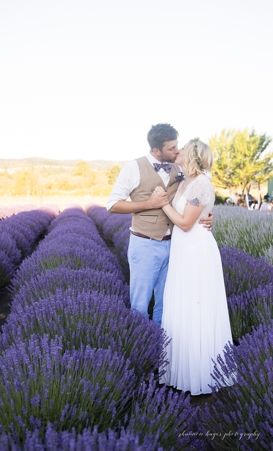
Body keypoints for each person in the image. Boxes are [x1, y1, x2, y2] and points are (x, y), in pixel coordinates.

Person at [105, 124, 213, 325]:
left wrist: (206, 216)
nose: (177, 151)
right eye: (172, 148)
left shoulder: (180, 168)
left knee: (167, 303)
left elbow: (195, 195)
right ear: (156, 150)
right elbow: (112, 205)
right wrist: (149, 203)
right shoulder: (133, 167)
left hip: (176, 246)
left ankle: (161, 342)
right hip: (145, 244)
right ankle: (140, 342)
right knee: (140, 303)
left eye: (177, 146)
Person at [157, 139, 232, 396]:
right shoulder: (185, 181)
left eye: (183, 148)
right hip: (183, 251)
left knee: (195, 306)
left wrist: (163, 203)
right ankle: (181, 371)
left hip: (196, 252)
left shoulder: (200, 183)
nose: (178, 151)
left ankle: (200, 374)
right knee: (183, 305)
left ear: (190, 155)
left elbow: (186, 223)